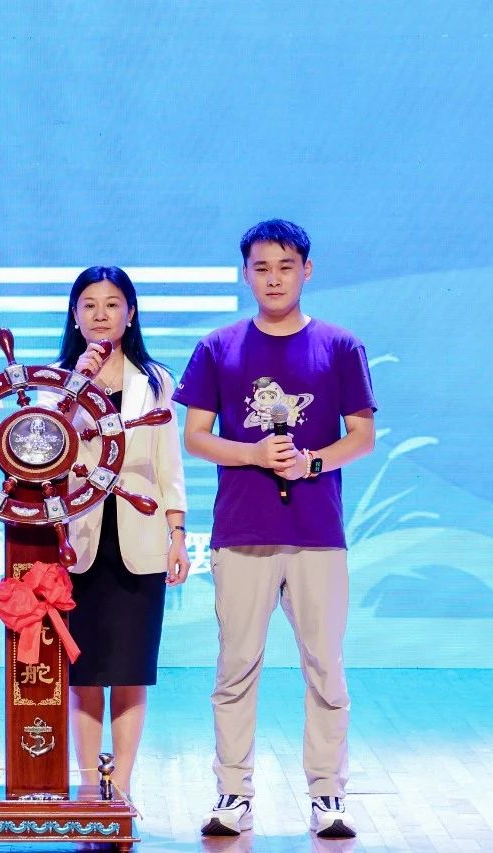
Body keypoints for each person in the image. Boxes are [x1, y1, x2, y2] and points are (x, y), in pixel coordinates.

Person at [174, 220, 376, 839]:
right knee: (236, 666)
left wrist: (311, 463)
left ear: (306, 271)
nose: (274, 278)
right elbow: (195, 436)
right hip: (243, 531)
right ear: (246, 274)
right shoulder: (219, 346)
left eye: (286, 266)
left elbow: (362, 437)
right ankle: (233, 792)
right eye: (261, 268)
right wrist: (255, 454)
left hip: (318, 533)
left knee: (325, 666)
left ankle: (328, 795)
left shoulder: (340, 346)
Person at [54, 266, 190, 797]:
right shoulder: (55, 382)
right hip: (78, 543)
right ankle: (91, 789)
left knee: (131, 670)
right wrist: (76, 384)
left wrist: (178, 532)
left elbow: (168, 464)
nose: (101, 314)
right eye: (89, 305)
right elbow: (45, 450)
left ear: (130, 314)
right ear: (74, 315)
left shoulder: (155, 381)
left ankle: (122, 789)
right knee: (84, 673)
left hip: (141, 538)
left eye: (112, 304)